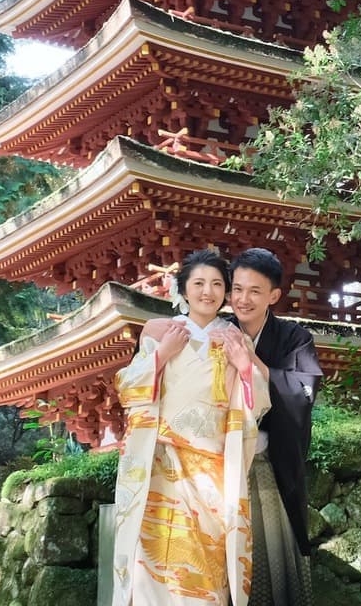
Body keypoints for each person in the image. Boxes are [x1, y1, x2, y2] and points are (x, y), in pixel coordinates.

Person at [112, 249, 271, 606]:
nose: (207, 291)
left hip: (212, 470)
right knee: (152, 560)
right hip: (162, 465)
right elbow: (127, 388)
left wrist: (244, 366)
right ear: (182, 289)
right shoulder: (159, 330)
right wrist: (162, 354)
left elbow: (260, 394)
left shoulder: (234, 338)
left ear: (226, 293)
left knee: (206, 566)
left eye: (217, 284)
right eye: (198, 283)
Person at [227, 248, 323, 606]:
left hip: (268, 465)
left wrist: (251, 362)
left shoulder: (294, 337)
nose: (243, 299)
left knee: (271, 553)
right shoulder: (219, 334)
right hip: (222, 465)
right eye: (237, 289)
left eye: (254, 290)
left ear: (273, 296)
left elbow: (303, 391)